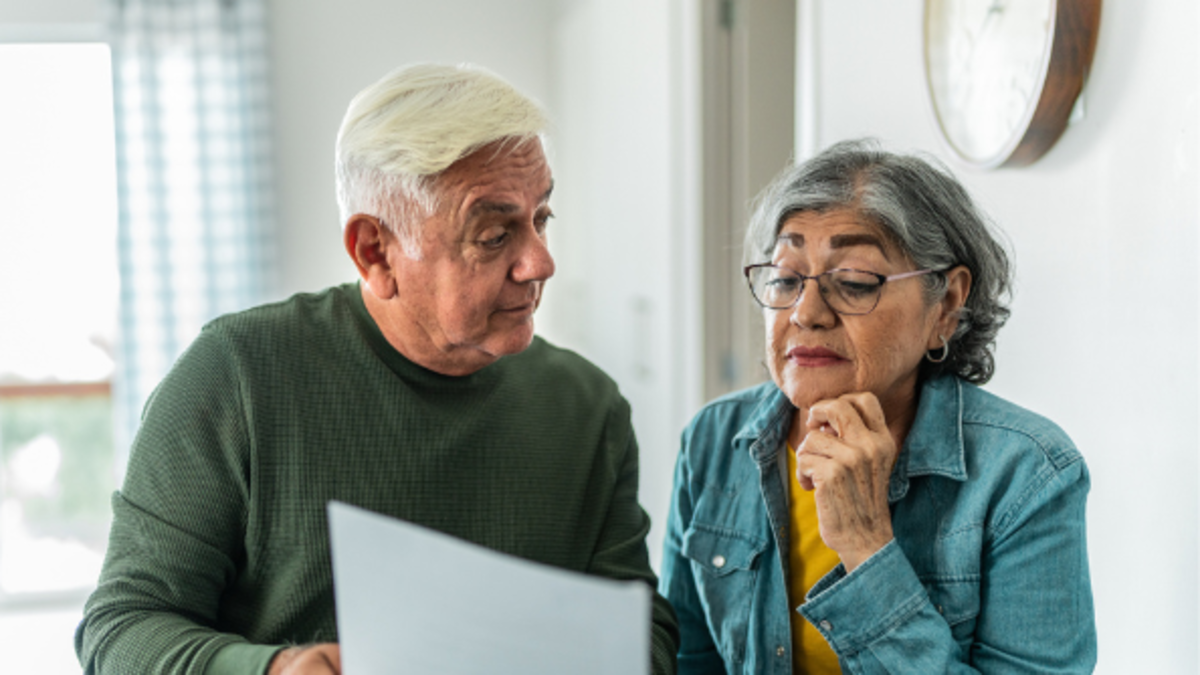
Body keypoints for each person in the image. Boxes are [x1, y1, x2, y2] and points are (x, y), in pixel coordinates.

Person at [75, 63, 679, 675]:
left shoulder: (588, 407)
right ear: (375, 251)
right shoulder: (237, 377)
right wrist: (275, 670)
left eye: (541, 218)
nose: (540, 262)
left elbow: (640, 629)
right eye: (495, 235)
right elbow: (122, 628)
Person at [659, 139, 1096, 674]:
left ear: (947, 305)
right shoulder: (713, 437)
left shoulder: (1027, 473)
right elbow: (687, 660)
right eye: (785, 279)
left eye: (854, 282)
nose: (806, 312)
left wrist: (867, 549)